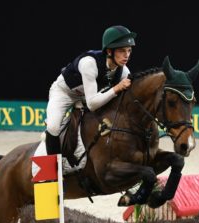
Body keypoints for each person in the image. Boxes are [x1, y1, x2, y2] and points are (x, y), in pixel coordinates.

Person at [44, 25, 136, 154]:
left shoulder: (123, 71)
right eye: (122, 51)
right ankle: (52, 170)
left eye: (129, 50)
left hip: (87, 97)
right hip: (64, 93)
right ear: (109, 51)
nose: (126, 56)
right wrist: (116, 88)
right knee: (53, 127)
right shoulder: (89, 63)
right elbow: (92, 104)